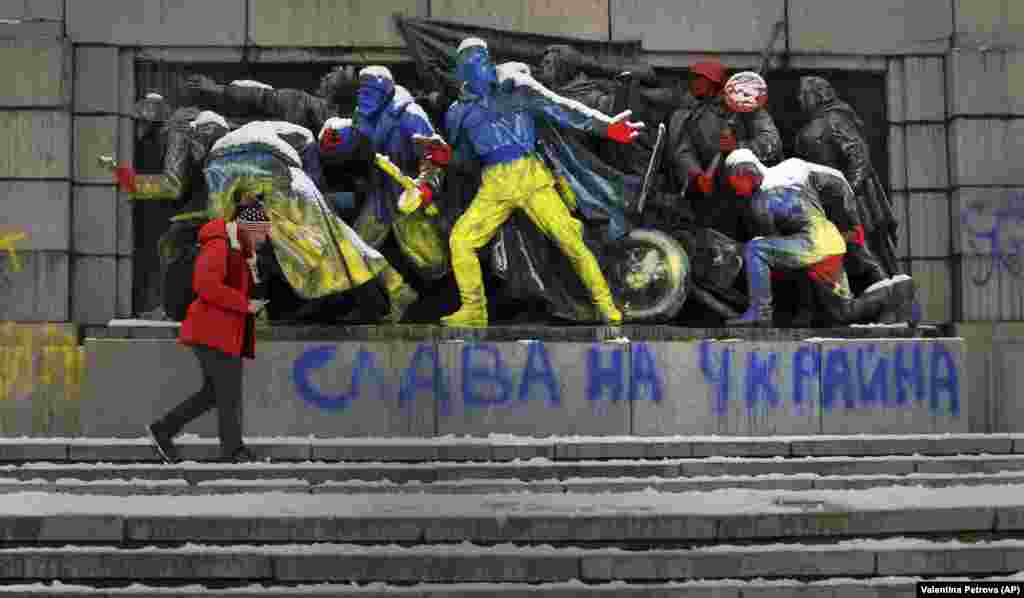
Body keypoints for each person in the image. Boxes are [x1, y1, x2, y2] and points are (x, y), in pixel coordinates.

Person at [441, 37, 643, 327]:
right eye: (469, 63)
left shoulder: (518, 89)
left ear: (488, 61)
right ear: (460, 70)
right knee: (461, 240)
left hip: (531, 177)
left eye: (481, 60)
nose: (477, 68)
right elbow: (464, 159)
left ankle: (606, 306)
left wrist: (608, 127)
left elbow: (564, 108)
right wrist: (445, 158)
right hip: (494, 183)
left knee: (570, 241)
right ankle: (474, 310)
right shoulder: (458, 112)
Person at [723, 149, 914, 327]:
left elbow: (774, 251)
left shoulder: (760, 202)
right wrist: (852, 222)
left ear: (746, 173)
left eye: (735, 184)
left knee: (755, 249)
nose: (736, 190)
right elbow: (838, 179)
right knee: (844, 312)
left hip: (812, 246)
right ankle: (895, 289)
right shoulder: (794, 166)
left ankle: (760, 312)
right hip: (830, 243)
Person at [146, 192, 270, 463]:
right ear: (247, 228)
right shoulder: (219, 245)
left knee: (214, 394)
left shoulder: (240, 250)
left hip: (221, 332)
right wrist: (244, 304)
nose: (265, 237)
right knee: (228, 395)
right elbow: (206, 285)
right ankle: (233, 451)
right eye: (261, 231)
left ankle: (163, 429)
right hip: (211, 331)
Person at [794, 75, 897, 288]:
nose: (799, 99)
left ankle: (890, 298)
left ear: (818, 95)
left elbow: (858, 156)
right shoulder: (810, 126)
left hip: (845, 203)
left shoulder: (835, 119)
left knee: (861, 252)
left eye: (803, 94)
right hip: (820, 203)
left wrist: (848, 191)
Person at [666, 59, 781, 240]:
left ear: (713, 82)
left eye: (698, 79)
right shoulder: (695, 115)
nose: (692, 83)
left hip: (750, 190)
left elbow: (771, 142)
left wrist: (738, 146)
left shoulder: (748, 109)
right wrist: (696, 176)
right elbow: (684, 151)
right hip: (714, 195)